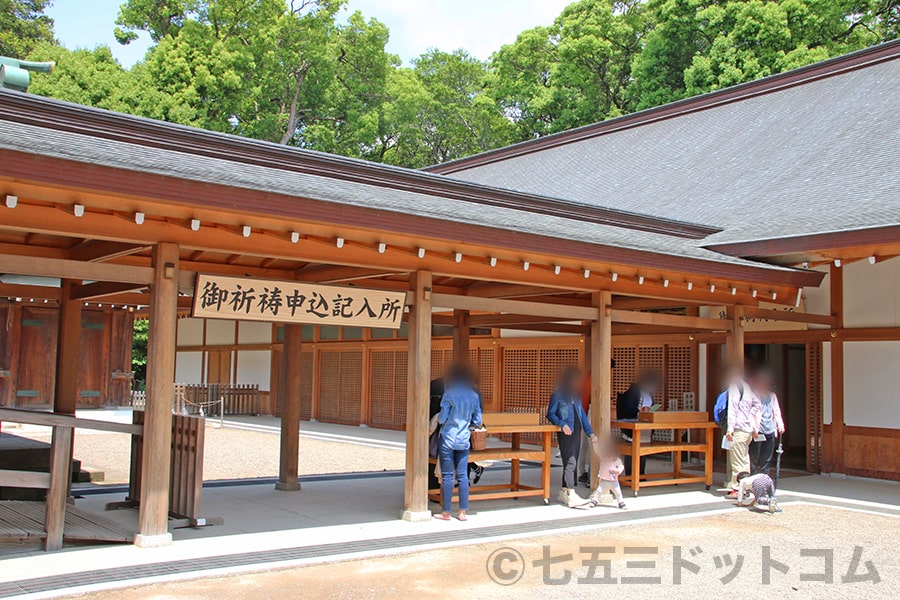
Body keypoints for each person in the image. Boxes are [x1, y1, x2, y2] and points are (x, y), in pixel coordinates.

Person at [435, 363, 482, 521]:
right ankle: (462, 512)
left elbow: (442, 418)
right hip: (464, 439)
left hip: (448, 438)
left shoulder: (449, 394)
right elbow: (478, 420)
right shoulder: (474, 396)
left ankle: (446, 512)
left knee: (448, 476)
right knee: (462, 476)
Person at [546, 366, 597, 508]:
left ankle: (564, 491)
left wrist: (590, 433)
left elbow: (583, 416)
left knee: (573, 460)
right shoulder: (558, 394)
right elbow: (550, 414)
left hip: (577, 431)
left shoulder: (576, 395)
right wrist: (562, 424)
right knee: (570, 462)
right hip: (566, 432)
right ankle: (572, 494)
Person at [724, 364, 761, 499]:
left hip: (739, 429)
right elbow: (757, 404)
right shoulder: (747, 387)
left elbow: (732, 409)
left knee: (737, 460)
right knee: (745, 459)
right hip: (747, 430)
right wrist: (749, 418)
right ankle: (746, 487)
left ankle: (737, 488)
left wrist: (730, 429)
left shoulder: (734, 387)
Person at [616, 371, 659, 477]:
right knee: (631, 450)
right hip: (632, 424)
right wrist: (639, 411)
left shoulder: (648, 393)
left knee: (643, 450)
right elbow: (628, 408)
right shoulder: (634, 391)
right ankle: (630, 475)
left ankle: (641, 474)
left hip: (645, 425)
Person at [749, 369, 785, 476]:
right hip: (758, 430)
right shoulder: (754, 396)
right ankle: (754, 477)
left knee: (767, 457)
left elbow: (777, 412)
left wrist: (780, 424)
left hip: (770, 429)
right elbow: (750, 414)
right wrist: (753, 428)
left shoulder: (772, 396)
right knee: (755, 456)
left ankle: (765, 477)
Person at [587, 442, 626, 509]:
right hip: (604, 480)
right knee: (598, 491)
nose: (608, 457)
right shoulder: (603, 458)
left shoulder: (617, 460)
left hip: (614, 481)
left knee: (618, 492)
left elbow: (621, 467)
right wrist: (595, 444)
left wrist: (618, 471)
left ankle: (621, 502)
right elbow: (597, 451)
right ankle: (594, 501)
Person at [576, 370, 592, 488]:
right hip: (588, 412)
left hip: (586, 411)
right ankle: (587, 473)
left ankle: (581, 471)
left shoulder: (588, 378)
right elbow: (585, 398)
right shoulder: (591, 380)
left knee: (584, 446)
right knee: (589, 445)